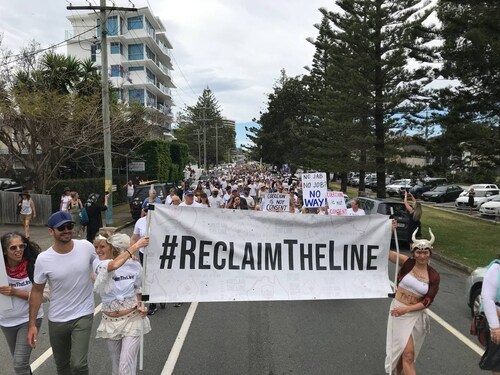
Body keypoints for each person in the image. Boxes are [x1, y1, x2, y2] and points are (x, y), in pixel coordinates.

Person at [28, 211, 97, 375]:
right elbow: (37, 291)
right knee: (62, 366)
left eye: (69, 226)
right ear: (51, 231)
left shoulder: (86, 246)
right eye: (61, 228)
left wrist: (128, 259)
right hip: (57, 318)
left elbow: (103, 260)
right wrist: (32, 324)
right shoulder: (44, 259)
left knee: (78, 365)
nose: (67, 230)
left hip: (83, 313)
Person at [92, 232, 151, 375]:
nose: (98, 250)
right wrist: (135, 246)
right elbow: (113, 265)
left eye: (102, 246)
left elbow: (139, 288)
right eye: (96, 247)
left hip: (132, 319)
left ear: (113, 247)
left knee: (125, 367)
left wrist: (141, 305)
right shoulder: (99, 263)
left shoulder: (134, 264)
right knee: (116, 366)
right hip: (110, 322)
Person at [385, 227, 440, 375]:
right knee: (407, 353)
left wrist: (407, 310)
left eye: (425, 252)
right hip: (398, 312)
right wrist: (390, 231)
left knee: (407, 355)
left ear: (430, 253)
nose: (422, 256)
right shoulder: (407, 263)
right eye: (419, 252)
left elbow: (427, 301)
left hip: (414, 315)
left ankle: (397, 372)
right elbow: (384, 252)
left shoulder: (434, 275)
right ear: (413, 253)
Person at [0, 232, 44, 375]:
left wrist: (16, 292)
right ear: (5, 251)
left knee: (19, 364)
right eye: (13, 248)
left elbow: (46, 295)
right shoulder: (1, 270)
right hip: (6, 322)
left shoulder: (33, 266)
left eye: (21, 246)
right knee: (21, 363)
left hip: (29, 319)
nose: (18, 250)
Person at [479, 258, 500, 372]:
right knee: (498, 365)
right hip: (498, 321)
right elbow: (487, 298)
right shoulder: (496, 269)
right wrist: (495, 328)